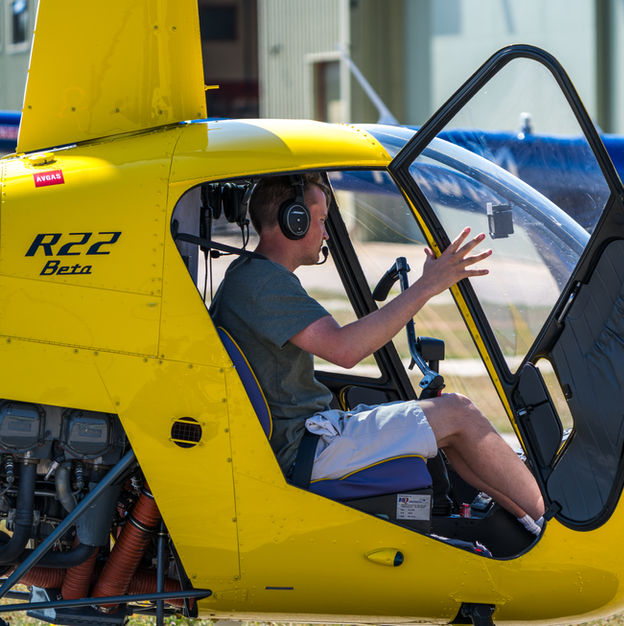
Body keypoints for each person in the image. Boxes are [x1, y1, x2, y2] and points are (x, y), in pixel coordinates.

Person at [210, 172, 545, 534]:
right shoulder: (262, 282)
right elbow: (345, 348)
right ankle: (558, 525)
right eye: (321, 220)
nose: (325, 233)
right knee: (458, 412)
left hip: (310, 438)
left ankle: (531, 525)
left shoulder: (249, 276)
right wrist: (427, 286)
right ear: (294, 219)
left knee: (450, 421)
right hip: (307, 449)